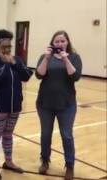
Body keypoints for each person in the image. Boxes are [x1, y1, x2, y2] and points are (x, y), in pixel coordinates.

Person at [0, 29, 33, 180]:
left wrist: (14, 63)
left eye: (9, 47)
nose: (7, 50)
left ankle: (9, 162)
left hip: (14, 107)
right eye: (4, 47)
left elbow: (26, 76)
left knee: (8, 135)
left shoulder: (17, 60)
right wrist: (6, 65)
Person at [35, 30, 82, 180]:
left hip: (66, 104)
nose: (60, 44)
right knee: (45, 134)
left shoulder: (74, 57)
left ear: (67, 42)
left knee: (67, 135)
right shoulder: (45, 57)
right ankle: (45, 161)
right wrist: (47, 58)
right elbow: (39, 74)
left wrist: (65, 59)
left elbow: (75, 76)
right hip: (45, 104)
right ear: (52, 43)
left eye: (63, 41)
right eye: (57, 41)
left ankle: (69, 165)